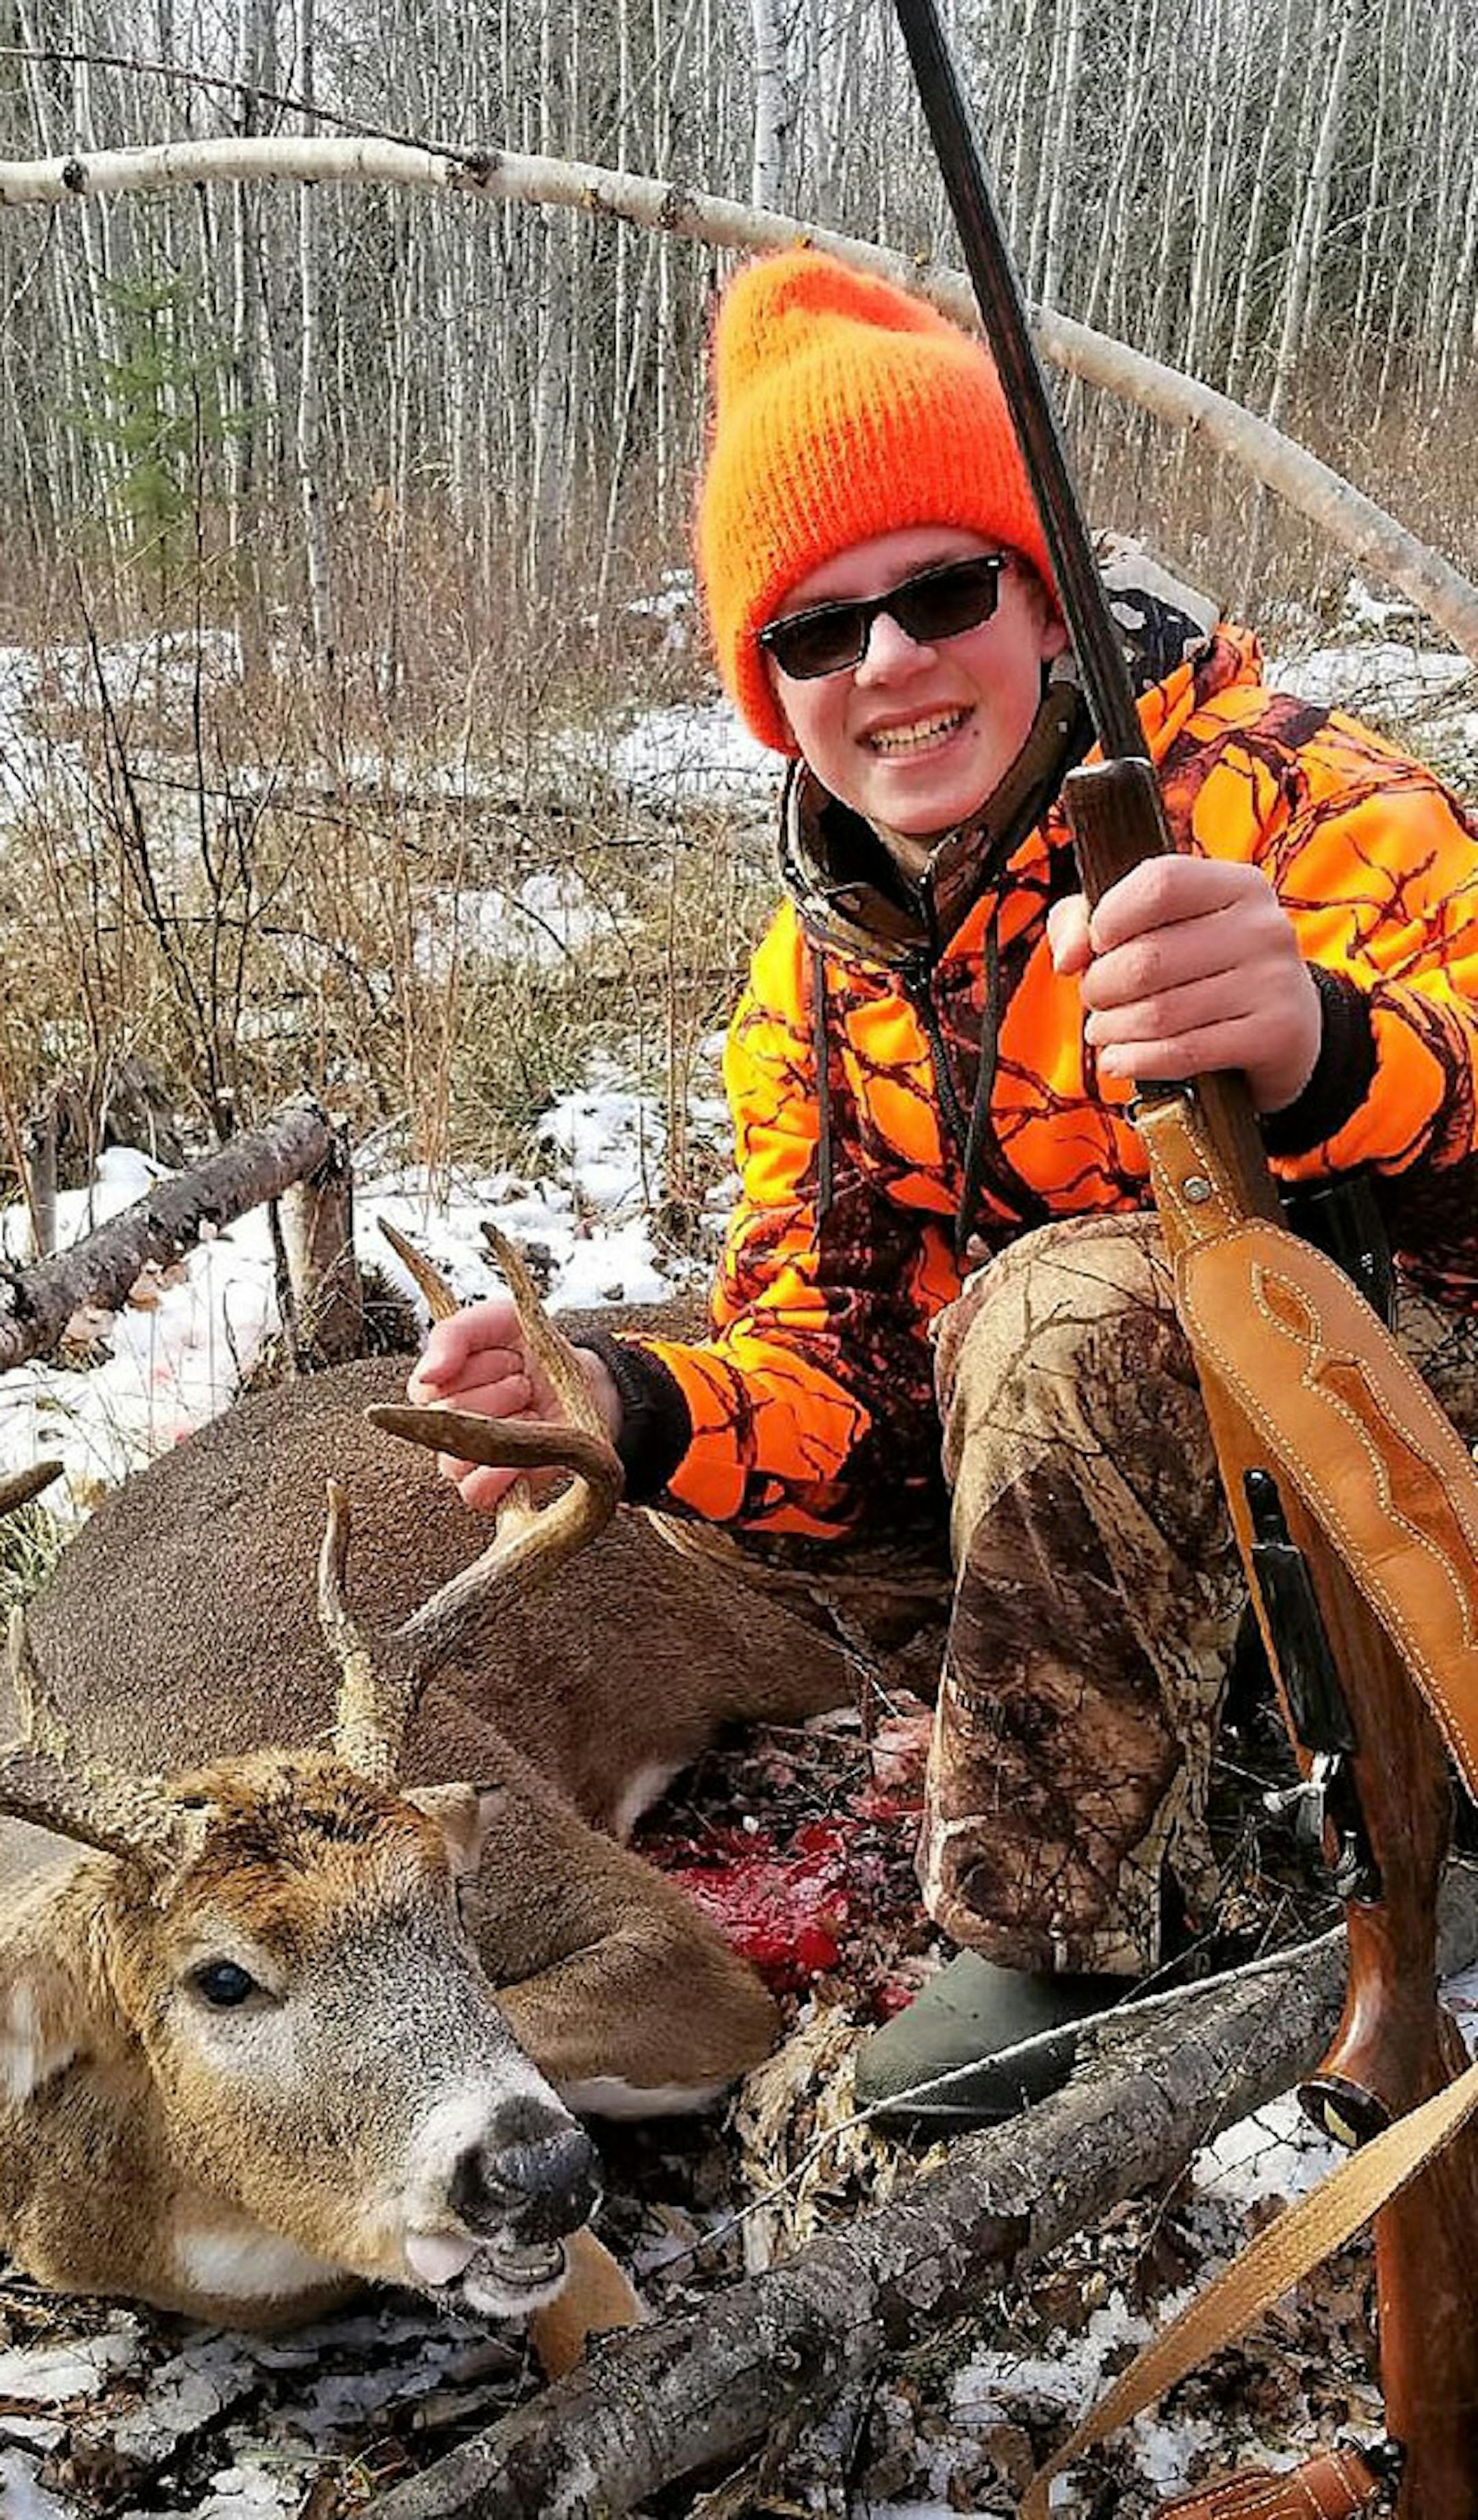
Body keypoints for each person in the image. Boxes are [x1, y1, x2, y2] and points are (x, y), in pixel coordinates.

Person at [409, 248, 1478, 2123]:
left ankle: (1051, 1937)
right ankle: (1200, 1764)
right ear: (773, 694)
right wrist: (628, 1400)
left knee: (1063, 1308)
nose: (888, 664)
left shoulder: (1297, 801)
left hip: (1423, 1465)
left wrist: (1328, 1047)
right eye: (817, 635)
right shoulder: (810, 980)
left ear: (1042, 600)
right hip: (1160, 1470)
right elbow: (826, 1384)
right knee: (706, 1487)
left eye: (939, 590)